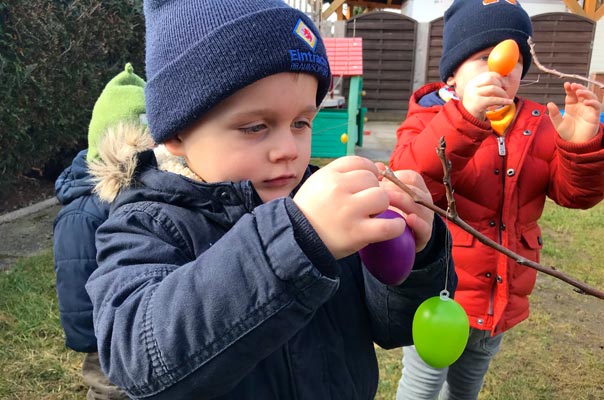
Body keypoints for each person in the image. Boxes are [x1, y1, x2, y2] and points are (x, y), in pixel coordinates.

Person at [84, 0, 456, 398]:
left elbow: (390, 326)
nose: (289, 150)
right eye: (256, 126)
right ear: (177, 133)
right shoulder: (149, 223)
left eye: (301, 122)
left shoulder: (321, 202)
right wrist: (295, 240)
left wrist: (416, 256)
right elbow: (140, 360)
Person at [390, 1, 604, 399]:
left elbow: (573, 195)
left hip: (498, 299)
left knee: (466, 389)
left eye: (515, 59)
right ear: (453, 71)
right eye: (485, 57)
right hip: (441, 295)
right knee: (420, 388)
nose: (501, 70)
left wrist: (579, 147)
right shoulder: (429, 118)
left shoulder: (538, 123)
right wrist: (464, 119)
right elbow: (409, 181)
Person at [53, 63, 146, 400]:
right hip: (104, 340)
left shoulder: (152, 198)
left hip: (145, 328)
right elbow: (74, 281)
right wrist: (91, 339)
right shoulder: (81, 215)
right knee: (111, 391)